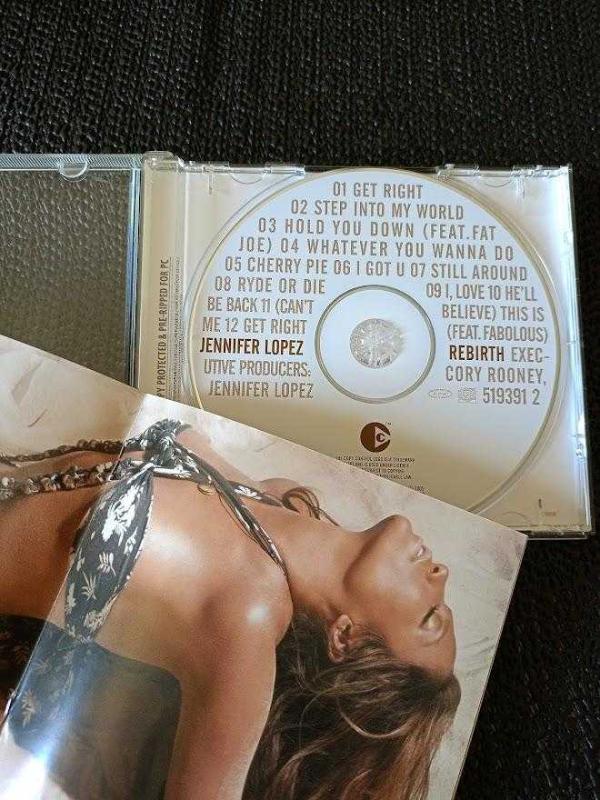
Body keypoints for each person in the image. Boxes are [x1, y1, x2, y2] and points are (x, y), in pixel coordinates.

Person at [0, 419, 460, 800]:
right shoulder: (282, 499)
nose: (442, 574)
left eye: (430, 617)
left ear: (346, 637)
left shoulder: (246, 623)